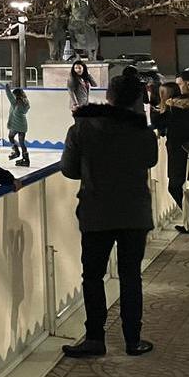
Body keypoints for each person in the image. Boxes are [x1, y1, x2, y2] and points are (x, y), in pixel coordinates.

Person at [60, 74, 158, 358]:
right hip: (134, 213)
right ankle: (132, 339)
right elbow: (150, 160)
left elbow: (69, 170)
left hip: (96, 211)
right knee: (131, 276)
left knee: (92, 275)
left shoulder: (81, 129)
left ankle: (95, 338)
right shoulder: (142, 132)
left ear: (110, 96)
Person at [154, 81, 189, 233]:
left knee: (174, 187)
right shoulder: (188, 107)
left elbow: (159, 124)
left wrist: (160, 111)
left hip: (180, 154)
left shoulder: (172, 110)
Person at [5, 83, 31, 167]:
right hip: (23, 125)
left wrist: (7, 88)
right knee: (22, 142)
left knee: (11, 137)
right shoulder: (25, 102)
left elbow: (9, 95)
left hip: (16, 125)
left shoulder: (15, 103)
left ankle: (16, 152)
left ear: (16, 95)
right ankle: (26, 159)